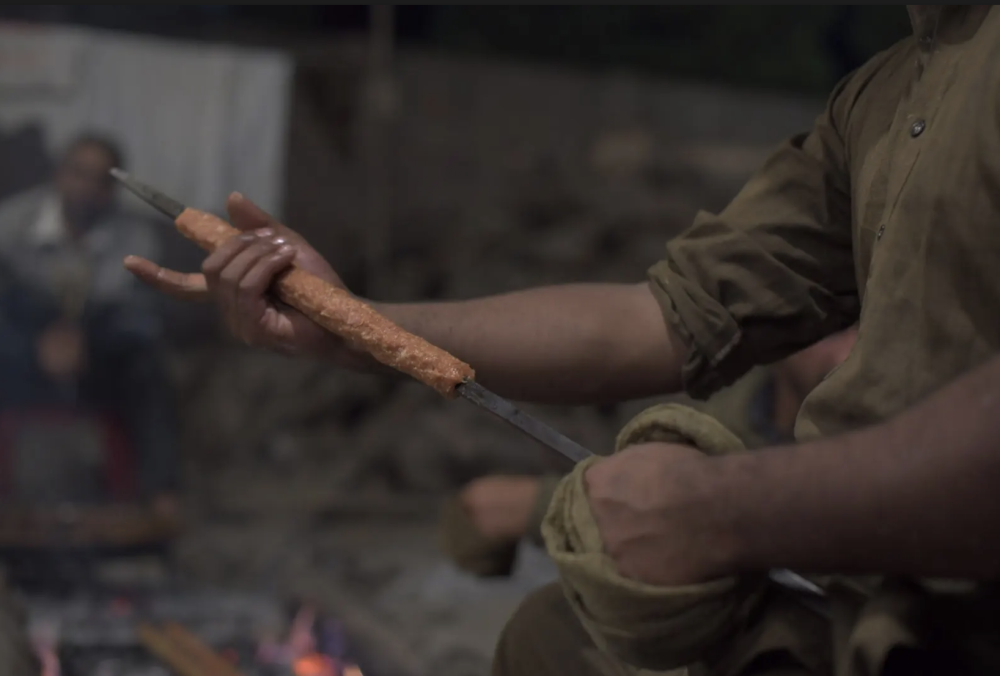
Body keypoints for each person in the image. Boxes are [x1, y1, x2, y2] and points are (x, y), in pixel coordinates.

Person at [127, 5, 1000, 674]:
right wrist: (352, 324)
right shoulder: (884, 96)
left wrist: (723, 512)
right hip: (852, 600)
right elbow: (664, 313)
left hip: (956, 612)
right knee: (555, 642)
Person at [451, 327, 858, 570]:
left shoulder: (883, 427)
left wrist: (543, 505)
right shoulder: (718, 412)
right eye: (838, 322)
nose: (850, 351)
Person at [0, 134, 179, 515]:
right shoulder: (10, 226)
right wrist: (34, 346)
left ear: (112, 190)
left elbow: (143, 318)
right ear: (59, 174)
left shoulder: (137, 238)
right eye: (78, 174)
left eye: (100, 180)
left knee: (148, 370)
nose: (87, 188)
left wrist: (89, 344)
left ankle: (159, 497)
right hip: (23, 353)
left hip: (96, 356)